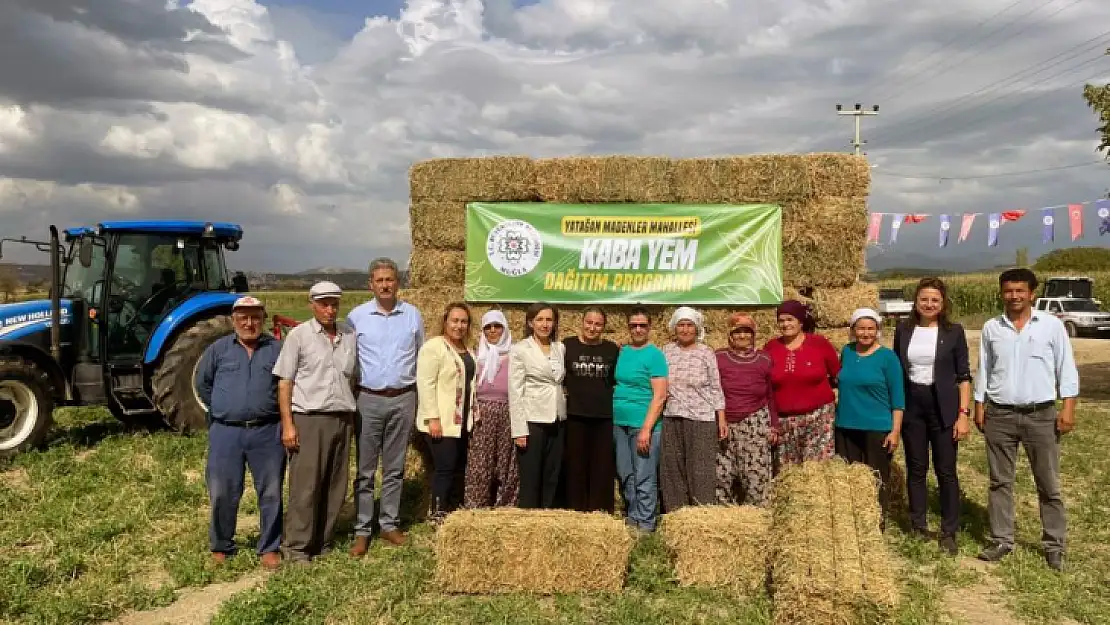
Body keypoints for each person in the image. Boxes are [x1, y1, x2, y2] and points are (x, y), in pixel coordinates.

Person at [975, 268, 1079, 571]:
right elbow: (985, 367)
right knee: (999, 482)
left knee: (1048, 483)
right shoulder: (991, 327)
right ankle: (1001, 539)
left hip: (1041, 415)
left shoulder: (1050, 326)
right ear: (1001, 292)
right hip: (1000, 414)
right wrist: (979, 404)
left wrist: (1068, 407)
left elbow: (1066, 368)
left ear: (1031, 293)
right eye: (1008, 290)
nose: (1014, 296)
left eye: (1020, 290)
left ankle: (1054, 545)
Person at [195, 295, 285, 570]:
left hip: (267, 431)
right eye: (243, 318)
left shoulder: (277, 349)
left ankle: (269, 547)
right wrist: (225, 409)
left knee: (271, 492)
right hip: (226, 432)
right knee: (222, 491)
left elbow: (287, 385)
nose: (249, 323)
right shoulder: (218, 350)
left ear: (263, 319)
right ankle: (222, 545)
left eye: (255, 317)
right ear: (234, 320)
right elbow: (203, 384)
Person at [272, 282, 359, 563]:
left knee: (336, 484)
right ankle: (297, 547)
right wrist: (288, 425)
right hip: (310, 418)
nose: (329, 309)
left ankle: (323, 542)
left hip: (342, 417)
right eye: (323, 304)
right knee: (305, 485)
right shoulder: (299, 336)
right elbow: (285, 382)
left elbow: (354, 377)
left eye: (334, 304)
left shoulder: (348, 334)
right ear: (312, 304)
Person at [347, 258, 424, 552]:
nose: (385, 285)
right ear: (371, 284)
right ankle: (362, 529)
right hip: (369, 399)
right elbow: (350, 360)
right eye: (379, 280)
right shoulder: (356, 317)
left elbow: (419, 355)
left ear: (397, 282)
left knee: (394, 467)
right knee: (365, 469)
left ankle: (389, 524)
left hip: (404, 398)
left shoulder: (412, 316)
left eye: (389, 279)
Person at [893, 277, 971, 554]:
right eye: (924, 299)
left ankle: (949, 531)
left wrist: (963, 414)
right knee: (916, 468)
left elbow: (963, 377)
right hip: (913, 405)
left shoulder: (954, 332)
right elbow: (896, 370)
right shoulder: (903, 330)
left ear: (943, 303)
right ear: (916, 301)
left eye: (934, 300)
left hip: (944, 407)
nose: (929, 304)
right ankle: (918, 524)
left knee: (946, 470)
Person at [834, 308, 905, 530]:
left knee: (876, 477)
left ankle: (876, 522)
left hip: (877, 427)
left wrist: (895, 431)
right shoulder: (847, 352)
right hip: (846, 425)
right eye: (861, 328)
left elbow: (898, 397)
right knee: (850, 476)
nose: (865, 333)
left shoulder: (887, 357)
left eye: (870, 328)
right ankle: (854, 521)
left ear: (878, 330)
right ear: (853, 330)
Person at [660, 306, 727, 511]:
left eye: (690, 325)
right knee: (673, 469)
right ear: (674, 328)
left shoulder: (706, 352)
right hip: (672, 416)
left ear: (697, 329)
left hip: (701, 419)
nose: (685, 330)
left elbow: (716, 387)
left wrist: (721, 418)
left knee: (701, 471)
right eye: (681, 325)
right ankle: (676, 516)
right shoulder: (666, 351)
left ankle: (701, 515)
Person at [415, 302, 477, 523]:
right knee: (445, 468)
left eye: (463, 321)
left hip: (461, 422)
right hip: (441, 421)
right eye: (455, 320)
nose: (459, 326)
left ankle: (452, 512)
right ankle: (437, 514)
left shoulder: (468, 349)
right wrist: (433, 418)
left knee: (456, 468)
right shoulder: (434, 347)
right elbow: (425, 384)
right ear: (444, 321)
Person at [763, 300, 841, 467]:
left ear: (800, 321)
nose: (785, 324)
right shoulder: (771, 347)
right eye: (781, 320)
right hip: (785, 422)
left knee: (815, 470)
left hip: (818, 418)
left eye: (790, 319)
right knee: (789, 472)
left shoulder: (819, 344)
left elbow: (838, 375)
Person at [612, 307, 668, 531]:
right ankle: (632, 519)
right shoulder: (622, 352)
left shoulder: (655, 355)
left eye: (642, 325)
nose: (637, 329)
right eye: (633, 325)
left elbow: (660, 395)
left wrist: (646, 428)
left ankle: (645, 525)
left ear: (649, 327)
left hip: (643, 424)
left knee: (644, 476)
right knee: (626, 474)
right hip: (619, 423)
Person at [714, 312, 777, 507]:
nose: (742, 336)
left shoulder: (764, 359)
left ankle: (756, 518)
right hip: (724, 422)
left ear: (753, 335)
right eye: (737, 332)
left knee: (755, 474)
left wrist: (773, 426)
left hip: (754, 421)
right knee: (721, 474)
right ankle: (724, 516)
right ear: (730, 335)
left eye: (747, 332)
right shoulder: (718, 357)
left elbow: (770, 395)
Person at [508, 302, 567, 509]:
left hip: (557, 419)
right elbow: (515, 391)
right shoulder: (519, 350)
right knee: (531, 476)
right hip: (532, 420)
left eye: (549, 319)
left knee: (552, 474)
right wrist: (519, 430)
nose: (545, 324)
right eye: (540, 319)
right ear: (530, 322)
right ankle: (529, 519)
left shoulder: (560, 348)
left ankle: (547, 517)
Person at [562, 307, 620, 513]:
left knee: (601, 469)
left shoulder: (612, 349)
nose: (592, 328)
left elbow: (615, 381)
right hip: (574, 416)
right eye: (589, 322)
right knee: (575, 467)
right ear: (582, 322)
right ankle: (575, 512)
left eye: (598, 324)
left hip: (602, 417)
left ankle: (599, 514)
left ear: (603, 327)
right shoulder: (567, 346)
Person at [464, 310, 520, 508]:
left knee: (506, 462)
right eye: (488, 327)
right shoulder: (476, 354)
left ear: (504, 329)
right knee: (480, 462)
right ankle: (476, 505)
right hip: (482, 414)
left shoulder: (515, 353)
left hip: (508, 412)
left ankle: (505, 506)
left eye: (497, 326)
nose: (493, 330)